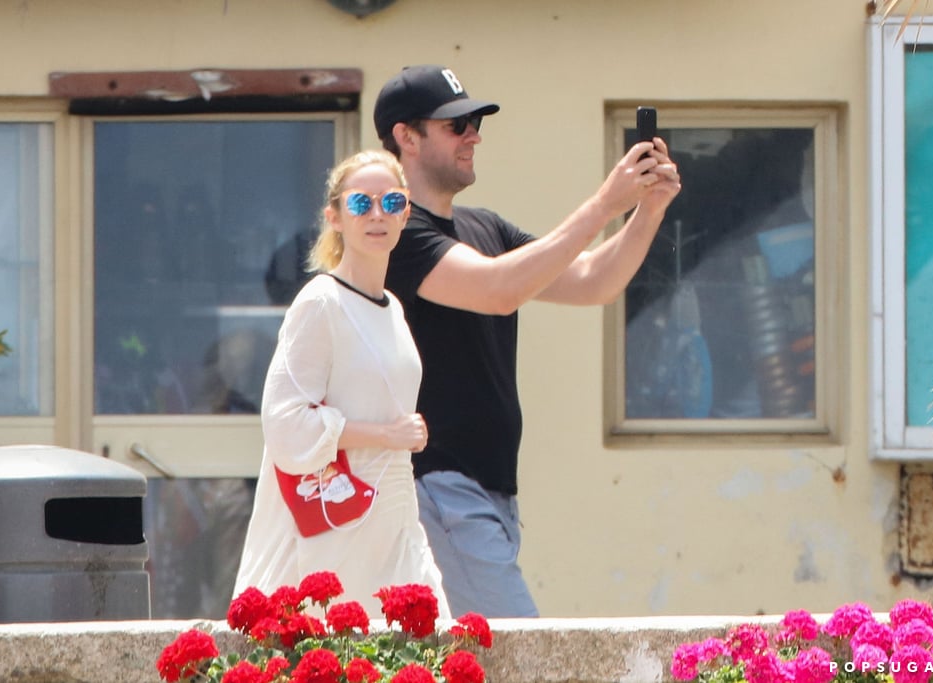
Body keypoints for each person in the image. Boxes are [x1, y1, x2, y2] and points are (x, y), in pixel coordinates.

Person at [374, 65, 682, 617]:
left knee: (479, 660)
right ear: (406, 137)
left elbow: (593, 282)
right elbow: (499, 290)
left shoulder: (485, 226)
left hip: (488, 494)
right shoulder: (397, 234)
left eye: (474, 122)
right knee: (522, 652)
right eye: (456, 124)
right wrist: (606, 204)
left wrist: (647, 210)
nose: (474, 134)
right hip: (440, 487)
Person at [233, 149, 449, 618]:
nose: (377, 215)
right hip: (333, 524)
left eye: (391, 203)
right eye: (360, 204)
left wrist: (400, 434)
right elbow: (286, 425)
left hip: (394, 516)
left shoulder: (393, 309)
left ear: (406, 212)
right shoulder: (321, 302)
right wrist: (387, 434)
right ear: (334, 216)